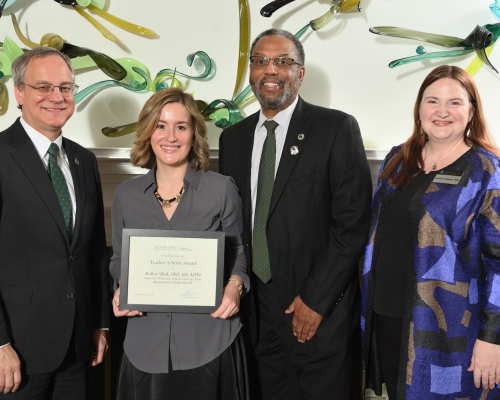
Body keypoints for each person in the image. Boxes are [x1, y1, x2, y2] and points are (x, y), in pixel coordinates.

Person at [219, 28, 372, 400]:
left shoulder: (336, 128)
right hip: (253, 311)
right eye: (261, 62)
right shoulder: (232, 139)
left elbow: (352, 225)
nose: (271, 70)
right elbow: (233, 223)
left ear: (300, 73)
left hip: (315, 311)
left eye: (283, 61)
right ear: (251, 73)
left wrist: (316, 300)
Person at [361, 65, 500, 400]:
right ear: (419, 108)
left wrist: (492, 339)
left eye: (454, 102)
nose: (441, 112)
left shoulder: (488, 171)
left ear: (471, 112)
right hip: (389, 317)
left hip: (452, 331)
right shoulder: (397, 159)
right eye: (432, 101)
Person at [110, 87, 250, 400]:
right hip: (145, 344)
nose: (171, 137)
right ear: (148, 132)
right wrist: (121, 286)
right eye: (161, 125)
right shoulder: (126, 195)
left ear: (194, 134)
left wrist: (235, 286)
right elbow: (119, 259)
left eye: (181, 127)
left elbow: (238, 252)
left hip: (210, 340)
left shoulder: (222, 189)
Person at [0, 47, 110, 398]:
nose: (57, 97)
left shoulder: (84, 160)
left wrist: (99, 324)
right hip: (16, 349)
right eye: (43, 87)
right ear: (19, 92)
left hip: (78, 346)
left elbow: (93, 251)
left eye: (65, 87)